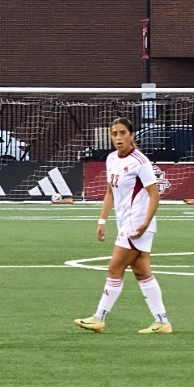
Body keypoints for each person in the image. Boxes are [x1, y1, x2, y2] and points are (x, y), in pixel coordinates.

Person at [74, 118, 172, 334]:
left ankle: (98, 318)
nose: (118, 138)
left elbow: (154, 195)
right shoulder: (111, 159)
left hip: (137, 224)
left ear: (132, 135)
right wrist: (102, 220)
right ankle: (162, 322)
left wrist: (145, 223)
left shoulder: (140, 162)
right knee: (141, 271)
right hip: (125, 223)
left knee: (115, 268)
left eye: (122, 133)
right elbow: (110, 192)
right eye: (114, 134)